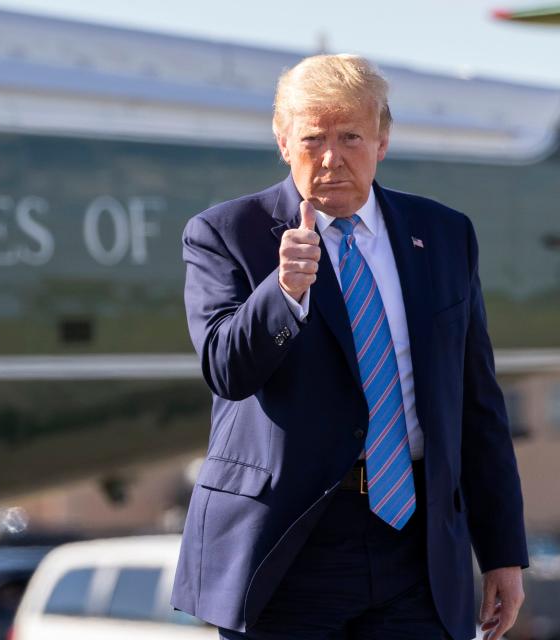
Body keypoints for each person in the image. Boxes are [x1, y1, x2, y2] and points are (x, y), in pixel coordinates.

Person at [170, 54, 528, 640]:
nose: (331, 157)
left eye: (351, 137)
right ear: (283, 141)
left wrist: (502, 552)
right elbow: (225, 369)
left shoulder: (443, 234)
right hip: (286, 546)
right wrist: (282, 293)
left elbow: (477, 402)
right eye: (312, 139)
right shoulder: (225, 234)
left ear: (382, 139)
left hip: (416, 546)